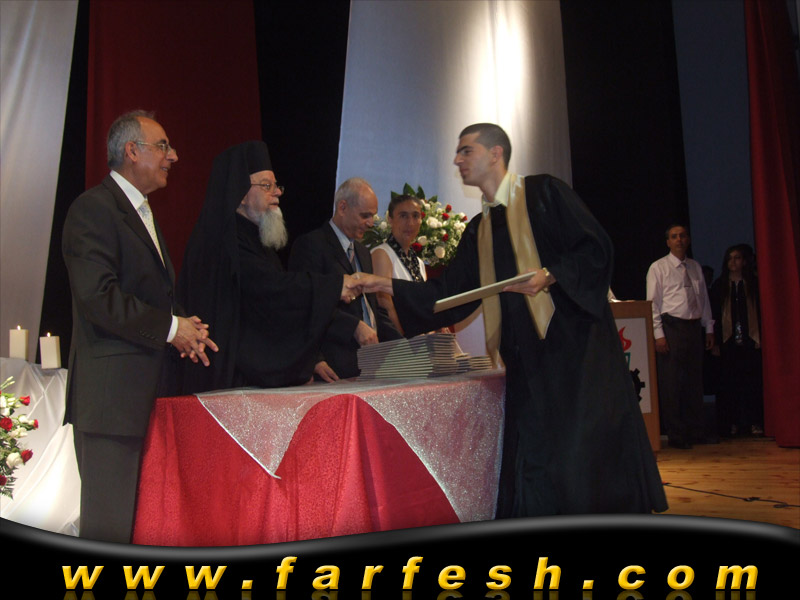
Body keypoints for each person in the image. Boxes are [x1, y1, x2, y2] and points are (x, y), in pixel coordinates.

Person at [354, 123, 667, 517]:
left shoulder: (545, 194)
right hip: (526, 364)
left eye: (466, 150)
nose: (457, 159)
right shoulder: (479, 229)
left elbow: (595, 249)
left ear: (495, 153)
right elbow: (448, 294)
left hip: (576, 360)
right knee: (537, 459)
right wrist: (380, 282)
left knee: (584, 461)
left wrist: (549, 274)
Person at [62, 110, 219, 543]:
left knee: (140, 526)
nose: (174, 155)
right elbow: (99, 298)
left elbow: (152, 295)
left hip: (145, 399)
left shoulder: (140, 211)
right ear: (132, 151)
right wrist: (170, 329)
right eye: (163, 146)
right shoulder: (93, 209)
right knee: (108, 530)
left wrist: (185, 327)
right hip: (112, 404)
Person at [177, 141, 361, 392]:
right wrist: (334, 286)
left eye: (276, 185)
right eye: (266, 185)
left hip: (248, 375)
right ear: (241, 194)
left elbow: (276, 310)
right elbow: (271, 290)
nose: (277, 193)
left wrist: (309, 360)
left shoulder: (257, 239)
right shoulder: (221, 241)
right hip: (224, 376)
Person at [288, 178, 402, 381]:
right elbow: (305, 305)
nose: (370, 223)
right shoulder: (311, 245)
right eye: (365, 215)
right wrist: (316, 358)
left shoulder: (363, 252)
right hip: (333, 367)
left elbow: (372, 309)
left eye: (373, 216)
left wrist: (406, 346)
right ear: (342, 207)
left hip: (368, 366)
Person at [646, 224, 715, 449]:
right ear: (668, 242)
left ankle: (696, 430)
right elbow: (652, 304)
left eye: (683, 236)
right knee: (672, 383)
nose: (679, 240)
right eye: (674, 237)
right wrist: (658, 334)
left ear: (688, 240)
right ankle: (676, 433)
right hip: (672, 327)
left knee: (694, 382)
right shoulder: (658, 267)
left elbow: (703, 300)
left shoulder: (694, 267)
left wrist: (709, 327)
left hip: (693, 328)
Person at [710, 244, 763, 437]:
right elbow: (713, 315)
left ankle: (754, 422)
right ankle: (730, 423)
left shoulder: (754, 283)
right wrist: (715, 342)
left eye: (737, 258)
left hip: (750, 340)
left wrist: (760, 337)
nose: (733, 262)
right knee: (728, 385)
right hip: (727, 341)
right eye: (730, 258)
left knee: (752, 384)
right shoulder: (720, 285)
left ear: (745, 261)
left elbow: (761, 312)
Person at [371, 194, 427, 334]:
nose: (410, 223)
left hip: (418, 339)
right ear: (390, 219)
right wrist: (405, 341)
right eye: (403, 216)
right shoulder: (381, 254)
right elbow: (385, 305)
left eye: (415, 216)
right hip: (395, 340)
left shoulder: (419, 262)